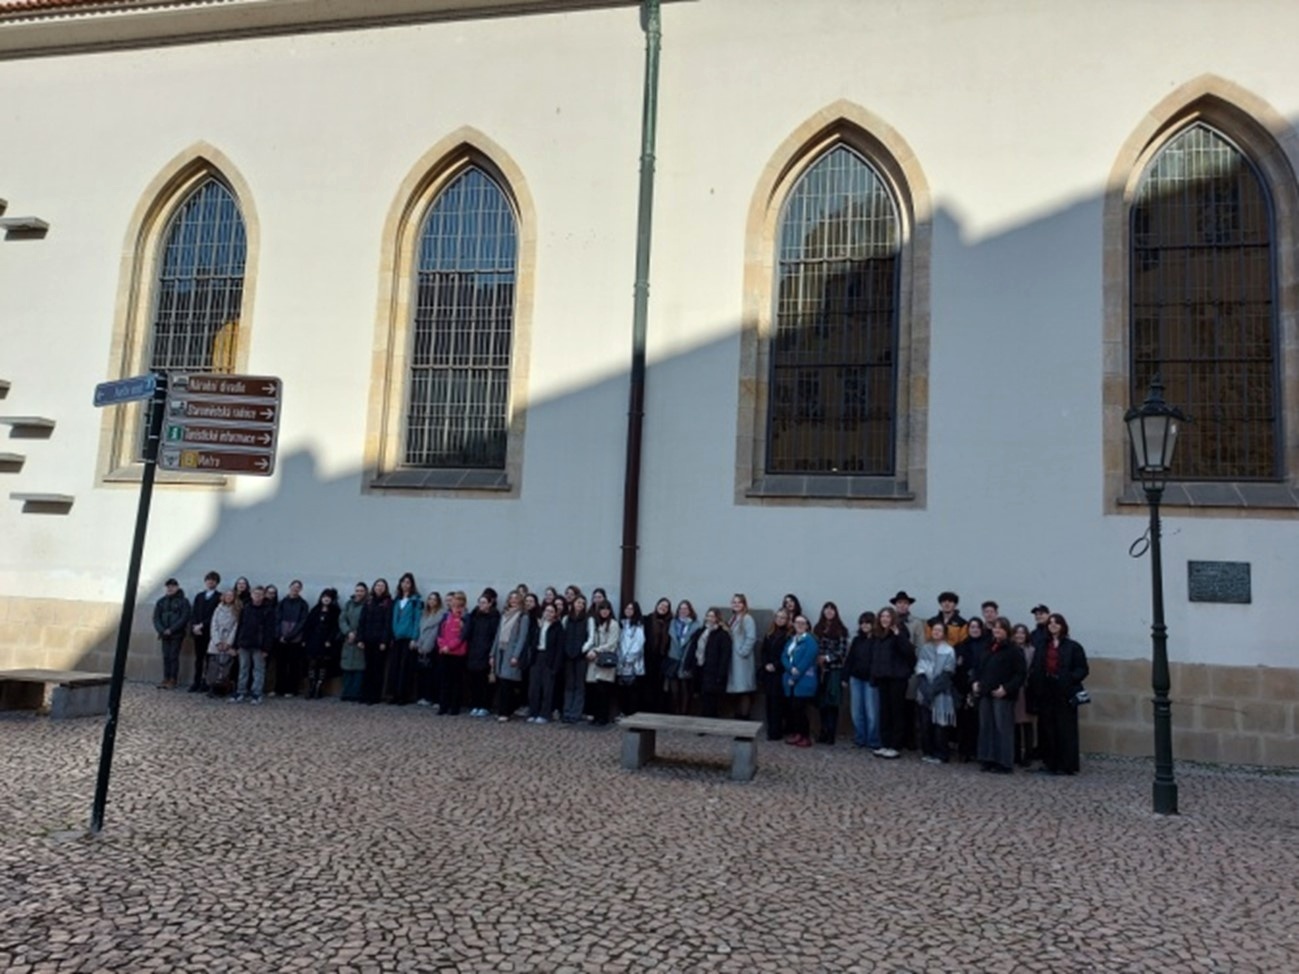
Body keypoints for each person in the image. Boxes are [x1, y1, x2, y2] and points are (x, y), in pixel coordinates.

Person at [1027, 613, 1089, 776]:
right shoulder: (1042, 645)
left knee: (1065, 728)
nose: (1053, 625)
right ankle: (1050, 763)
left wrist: (1068, 678)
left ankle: (1066, 764)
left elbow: (1082, 669)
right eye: (1050, 623)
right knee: (1047, 728)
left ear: (1063, 626)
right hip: (1046, 690)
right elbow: (1036, 666)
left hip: (1064, 691)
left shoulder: (1073, 646)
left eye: (1056, 623)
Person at [974, 616, 1027, 774]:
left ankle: (1004, 762)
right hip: (985, 692)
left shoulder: (1014, 650)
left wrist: (1006, 688)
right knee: (986, 727)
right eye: (995, 627)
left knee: (1002, 728)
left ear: (1006, 631)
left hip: (1003, 695)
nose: (997, 630)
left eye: (1000, 628)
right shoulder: (988, 647)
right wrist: (975, 681)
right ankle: (987, 759)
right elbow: (978, 667)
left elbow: (1020, 674)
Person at [867, 606, 914, 759]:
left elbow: (908, 651)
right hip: (883, 677)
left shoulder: (900, 631)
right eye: (882, 616)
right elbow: (875, 657)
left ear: (893, 618)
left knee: (897, 712)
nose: (885, 619)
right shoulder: (878, 635)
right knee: (884, 712)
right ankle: (885, 743)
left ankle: (895, 745)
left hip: (897, 677)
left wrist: (898, 635)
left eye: (887, 616)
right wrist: (874, 676)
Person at [913, 621, 957, 764]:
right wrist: (926, 689)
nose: (936, 632)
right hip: (924, 692)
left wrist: (933, 690)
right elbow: (920, 669)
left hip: (941, 694)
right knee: (925, 724)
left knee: (940, 725)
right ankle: (928, 751)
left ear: (944, 633)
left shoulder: (949, 650)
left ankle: (941, 754)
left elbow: (948, 672)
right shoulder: (925, 648)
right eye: (934, 630)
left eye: (939, 630)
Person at [953, 616, 991, 762]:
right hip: (964, 688)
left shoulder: (988, 645)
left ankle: (980, 750)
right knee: (965, 721)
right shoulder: (961, 646)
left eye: (977, 627)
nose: (974, 630)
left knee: (981, 721)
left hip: (983, 686)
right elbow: (956, 669)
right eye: (972, 627)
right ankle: (965, 751)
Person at [685, 607, 732, 719]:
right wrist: (688, 665)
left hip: (713, 671)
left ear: (717, 618)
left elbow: (725, 656)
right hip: (700, 668)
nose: (710, 618)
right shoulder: (700, 632)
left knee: (711, 699)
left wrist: (721, 674)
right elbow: (692, 648)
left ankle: (710, 721)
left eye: (713, 616)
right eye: (708, 616)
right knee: (701, 697)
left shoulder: (722, 634)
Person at [231, 585, 274, 704]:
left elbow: (269, 631)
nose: (257, 596)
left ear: (263, 596)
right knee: (243, 668)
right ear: (251, 595)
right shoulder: (246, 608)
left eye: (260, 594)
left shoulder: (268, 610)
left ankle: (256, 693)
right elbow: (240, 627)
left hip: (259, 645)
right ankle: (241, 691)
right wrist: (236, 644)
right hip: (244, 643)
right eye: (255, 594)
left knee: (258, 670)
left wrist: (266, 648)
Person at [813, 602, 848, 745]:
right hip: (820, 670)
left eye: (831, 609)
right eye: (826, 609)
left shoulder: (841, 630)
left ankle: (831, 733)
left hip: (834, 670)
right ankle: (823, 731)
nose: (829, 612)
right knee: (821, 703)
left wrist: (827, 658)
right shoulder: (818, 628)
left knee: (832, 703)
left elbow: (842, 652)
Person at [782, 615, 818, 748]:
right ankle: (797, 733)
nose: (800, 625)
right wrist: (790, 668)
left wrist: (794, 676)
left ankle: (805, 736)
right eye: (797, 622)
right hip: (791, 678)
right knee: (794, 709)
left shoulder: (810, 642)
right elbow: (784, 656)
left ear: (807, 626)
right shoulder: (792, 640)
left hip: (804, 680)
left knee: (801, 709)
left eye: (803, 623)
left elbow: (806, 661)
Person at [845, 611, 879, 750]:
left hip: (871, 679)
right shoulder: (857, 640)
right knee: (856, 711)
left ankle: (873, 740)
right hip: (856, 678)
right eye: (862, 623)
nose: (865, 625)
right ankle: (860, 738)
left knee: (872, 712)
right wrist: (845, 676)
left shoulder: (877, 640)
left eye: (868, 623)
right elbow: (850, 659)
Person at [492, 591, 529, 721]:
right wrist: (492, 653)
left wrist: (516, 655)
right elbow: (498, 634)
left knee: (507, 682)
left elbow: (522, 638)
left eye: (516, 598)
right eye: (511, 598)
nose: (513, 600)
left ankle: (506, 712)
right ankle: (501, 709)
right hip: (500, 650)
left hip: (511, 651)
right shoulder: (504, 614)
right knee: (501, 681)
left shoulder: (522, 617)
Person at [466, 589, 503, 716]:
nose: (481, 605)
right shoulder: (475, 616)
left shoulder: (494, 617)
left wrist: (490, 652)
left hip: (486, 652)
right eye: (480, 602)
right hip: (474, 651)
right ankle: (475, 704)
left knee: (484, 681)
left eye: (484, 603)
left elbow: (494, 636)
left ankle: (484, 705)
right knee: (474, 680)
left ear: (489, 604)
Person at [388, 572, 422, 705]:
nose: (405, 585)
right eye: (403, 582)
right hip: (397, 637)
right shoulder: (396, 601)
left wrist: (414, 637)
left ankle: (404, 695)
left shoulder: (415, 601)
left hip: (408, 638)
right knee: (395, 667)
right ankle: (394, 694)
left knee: (405, 667)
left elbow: (417, 620)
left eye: (408, 582)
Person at [357, 578, 393, 705]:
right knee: (368, 668)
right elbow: (362, 621)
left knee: (378, 669)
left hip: (380, 641)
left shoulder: (388, 603)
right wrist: (360, 638)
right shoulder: (369, 601)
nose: (379, 588)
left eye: (382, 586)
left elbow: (388, 623)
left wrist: (384, 640)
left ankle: (375, 696)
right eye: (377, 585)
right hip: (368, 639)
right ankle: (364, 694)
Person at [526, 602, 564, 723]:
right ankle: (533, 712)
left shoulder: (558, 627)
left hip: (549, 658)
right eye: (547, 611)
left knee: (547, 688)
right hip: (537, 656)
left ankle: (545, 714)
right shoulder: (539, 625)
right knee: (534, 687)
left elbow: (559, 648)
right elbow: (532, 642)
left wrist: (556, 665)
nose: (549, 614)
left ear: (555, 614)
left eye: (551, 612)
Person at [759, 608, 793, 741]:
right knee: (769, 702)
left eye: (783, 617)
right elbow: (763, 651)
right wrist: (766, 664)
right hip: (768, 672)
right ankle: (771, 729)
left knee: (778, 703)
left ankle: (776, 730)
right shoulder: (770, 633)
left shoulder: (789, 635)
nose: (780, 620)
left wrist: (776, 665)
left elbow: (787, 654)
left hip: (780, 672)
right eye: (778, 617)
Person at [584, 601, 619, 725]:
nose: (604, 611)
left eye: (607, 609)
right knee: (594, 689)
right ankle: (595, 716)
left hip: (605, 659)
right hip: (594, 660)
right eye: (602, 609)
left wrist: (597, 650)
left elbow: (612, 644)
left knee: (604, 690)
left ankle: (603, 717)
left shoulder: (613, 624)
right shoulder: (596, 623)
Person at [274, 579, 310, 697]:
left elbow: (302, 622)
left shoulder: (303, 604)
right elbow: (277, 619)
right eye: (294, 586)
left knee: (294, 665)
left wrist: (290, 636)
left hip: (295, 640)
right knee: (280, 665)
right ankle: (279, 689)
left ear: (300, 590)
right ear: (290, 587)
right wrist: (280, 635)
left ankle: (291, 689)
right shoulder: (282, 602)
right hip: (281, 638)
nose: (295, 589)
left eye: (298, 587)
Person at [303, 588, 341, 699]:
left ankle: (319, 687)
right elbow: (308, 626)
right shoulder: (315, 610)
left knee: (323, 665)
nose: (326, 599)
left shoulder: (335, 612)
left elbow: (335, 628)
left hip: (326, 642)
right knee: (312, 664)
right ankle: (311, 687)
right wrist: (305, 639)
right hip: (313, 641)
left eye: (328, 597)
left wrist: (330, 640)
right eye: (324, 597)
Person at [436, 591, 470, 715]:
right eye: (454, 601)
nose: (455, 604)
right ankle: (443, 706)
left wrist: (449, 647)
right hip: (444, 652)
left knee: (456, 681)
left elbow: (463, 636)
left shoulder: (465, 617)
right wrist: (442, 645)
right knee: (444, 680)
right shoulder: (446, 616)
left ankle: (454, 707)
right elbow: (440, 633)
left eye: (459, 601)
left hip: (457, 653)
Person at [560, 595, 593, 724]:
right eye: (578, 602)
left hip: (581, 656)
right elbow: (562, 635)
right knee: (569, 685)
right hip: (568, 656)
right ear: (573, 604)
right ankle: (567, 712)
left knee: (579, 685)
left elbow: (591, 637)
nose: (580, 605)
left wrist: (583, 649)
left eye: (583, 603)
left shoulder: (588, 619)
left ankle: (576, 713)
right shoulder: (566, 619)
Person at [188, 570, 221, 693]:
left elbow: (215, 615)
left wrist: (202, 625)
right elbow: (194, 612)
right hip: (198, 632)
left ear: (216, 583)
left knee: (209, 659)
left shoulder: (219, 597)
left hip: (210, 632)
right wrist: (195, 626)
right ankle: (196, 682)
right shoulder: (199, 596)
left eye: (213, 580)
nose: (210, 582)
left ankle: (206, 682)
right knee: (199, 658)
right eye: (208, 580)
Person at [664, 600, 700, 716]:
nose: (683, 611)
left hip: (686, 659)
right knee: (674, 689)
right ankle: (676, 711)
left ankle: (684, 713)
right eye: (681, 608)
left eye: (685, 609)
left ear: (690, 611)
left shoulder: (695, 625)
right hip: (673, 658)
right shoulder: (673, 623)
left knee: (685, 688)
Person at [152, 578, 189, 689]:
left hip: (177, 634)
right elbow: (156, 618)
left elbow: (184, 617)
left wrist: (171, 629)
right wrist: (161, 630)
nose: (170, 588)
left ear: (177, 587)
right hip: (164, 634)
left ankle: (173, 679)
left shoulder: (183, 601)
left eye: (172, 586)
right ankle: (166, 678)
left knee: (173, 656)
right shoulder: (161, 601)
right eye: (168, 587)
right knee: (166, 657)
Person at [726, 594, 758, 719]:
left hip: (742, 660)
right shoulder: (732, 619)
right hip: (733, 659)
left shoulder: (747, 618)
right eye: (734, 602)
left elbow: (751, 637)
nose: (736, 604)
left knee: (744, 689)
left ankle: (745, 717)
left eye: (739, 602)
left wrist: (742, 651)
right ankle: (738, 716)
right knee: (736, 690)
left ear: (744, 605)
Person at [205, 588, 240, 697]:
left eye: (231, 596)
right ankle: (212, 687)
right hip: (217, 639)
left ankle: (223, 688)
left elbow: (235, 627)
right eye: (227, 595)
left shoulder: (236, 610)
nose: (229, 597)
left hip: (228, 640)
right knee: (214, 665)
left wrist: (228, 642)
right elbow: (213, 625)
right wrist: (217, 641)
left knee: (225, 666)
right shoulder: (218, 609)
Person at [1012, 623, 1037, 766]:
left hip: (1027, 690)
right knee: (1014, 723)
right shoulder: (1010, 650)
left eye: (1022, 633)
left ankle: (1028, 754)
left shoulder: (1032, 650)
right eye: (1017, 632)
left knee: (1027, 723)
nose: (1019, 635)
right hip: (1014, 689)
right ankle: (1015, 754)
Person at [615, 602, 646, 721]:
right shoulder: (621, 624)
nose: (628, 610)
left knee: (632, 691)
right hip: (620, 662)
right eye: (627, 608)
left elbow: (638, 644)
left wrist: (628, 658)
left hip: (632, 663)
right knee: (622, 691)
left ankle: (631, 715)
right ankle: (623, 712)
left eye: (631, 609)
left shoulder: (638, 626)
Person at [338, 582, 368, 703]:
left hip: (361, 639)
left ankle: (355, 693)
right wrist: (348, 632)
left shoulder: (367, 605)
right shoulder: (349, 604)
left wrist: (357, 635)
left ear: (365, 592)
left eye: (361, 591)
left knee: (359, 668)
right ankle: (346, 692)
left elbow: (367, 622)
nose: (359, 593)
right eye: (357, 590)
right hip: (348, 639)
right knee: (347, 666)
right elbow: (342, 619)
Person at [414, 592, 445, 707]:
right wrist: (419, 644)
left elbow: (434, 633)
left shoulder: (440, 615)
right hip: (421, 646)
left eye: (434, 599)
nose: (431, 601)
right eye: (430, 599)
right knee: (422, 673)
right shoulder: (424, 614)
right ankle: (423, 696)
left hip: (432, 647)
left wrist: (426, 646)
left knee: (432, 675)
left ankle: (431, 697)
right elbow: (421, 630)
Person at [642, 597, 672, 713]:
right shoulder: (648, 620)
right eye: (661, 605)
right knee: (647, 686)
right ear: (657, 605)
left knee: (659, 687)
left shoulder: (670, 622)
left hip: (662, 660)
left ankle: (657, 711)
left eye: (666, 607)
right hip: (648, 658)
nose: (663, 608)